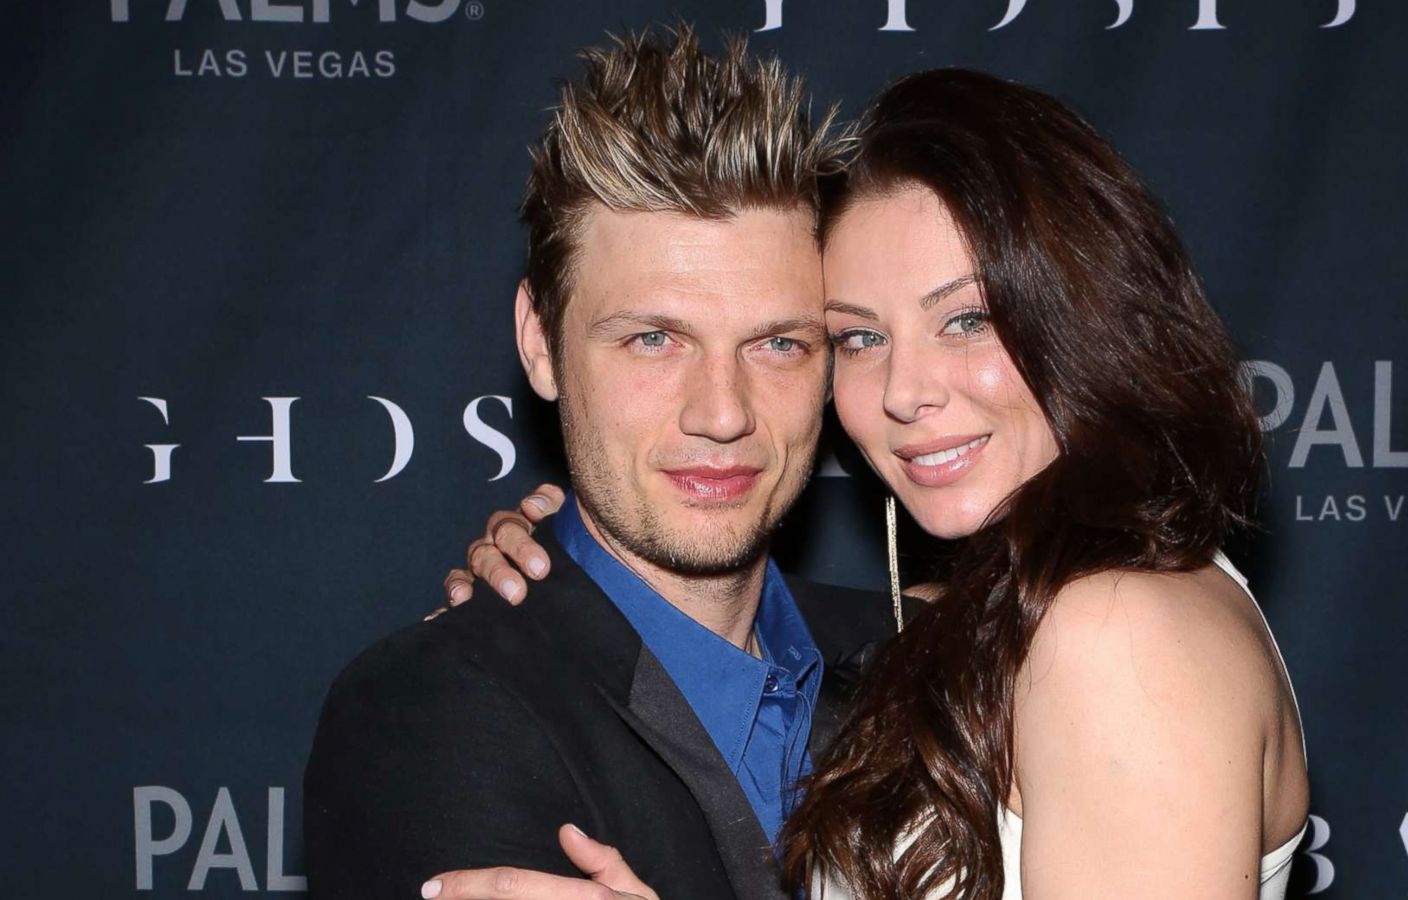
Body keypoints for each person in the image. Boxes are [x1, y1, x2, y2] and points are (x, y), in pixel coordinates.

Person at [429, 68, 1310, 900]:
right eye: (858, 338)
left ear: (1084, 313)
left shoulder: (1121, 632)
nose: (905, 391)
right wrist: (562, 586)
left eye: (966, 319)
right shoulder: (974, 619)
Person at [301, 27, 898, 900]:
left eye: (777, 343)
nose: (722, 412)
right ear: (539, 342)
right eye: (654, 340)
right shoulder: (431, 717)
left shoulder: (925, 660)